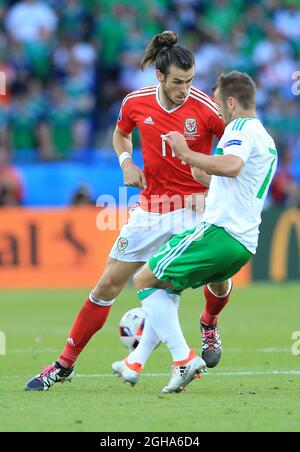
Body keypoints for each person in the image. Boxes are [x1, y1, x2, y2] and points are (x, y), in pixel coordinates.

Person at [24, 31, 225, 391]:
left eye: (191, 80)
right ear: (159, 77)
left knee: (219, 278)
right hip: (152, 208)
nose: (186, 89)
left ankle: (208, 325)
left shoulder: (207, 109)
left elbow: (236, 159)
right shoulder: (136, 102)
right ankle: (63, 365)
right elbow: (121, 135)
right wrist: (126, 162)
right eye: (179, 82)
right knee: (106, 285)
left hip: (196, 207)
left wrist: (211, 187)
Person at [112, 71, 278, 393]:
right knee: (166, 287)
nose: (217, 111)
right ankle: (136, 363)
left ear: (231, 102)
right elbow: (233, 181)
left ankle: (183, 358)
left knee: (144, 280)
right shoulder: (265, 139)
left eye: (219, 104)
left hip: (219, 233)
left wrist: (186, 153)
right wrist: (201, 175)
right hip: (243, 245)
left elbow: (231, 166)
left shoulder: (239, 129)